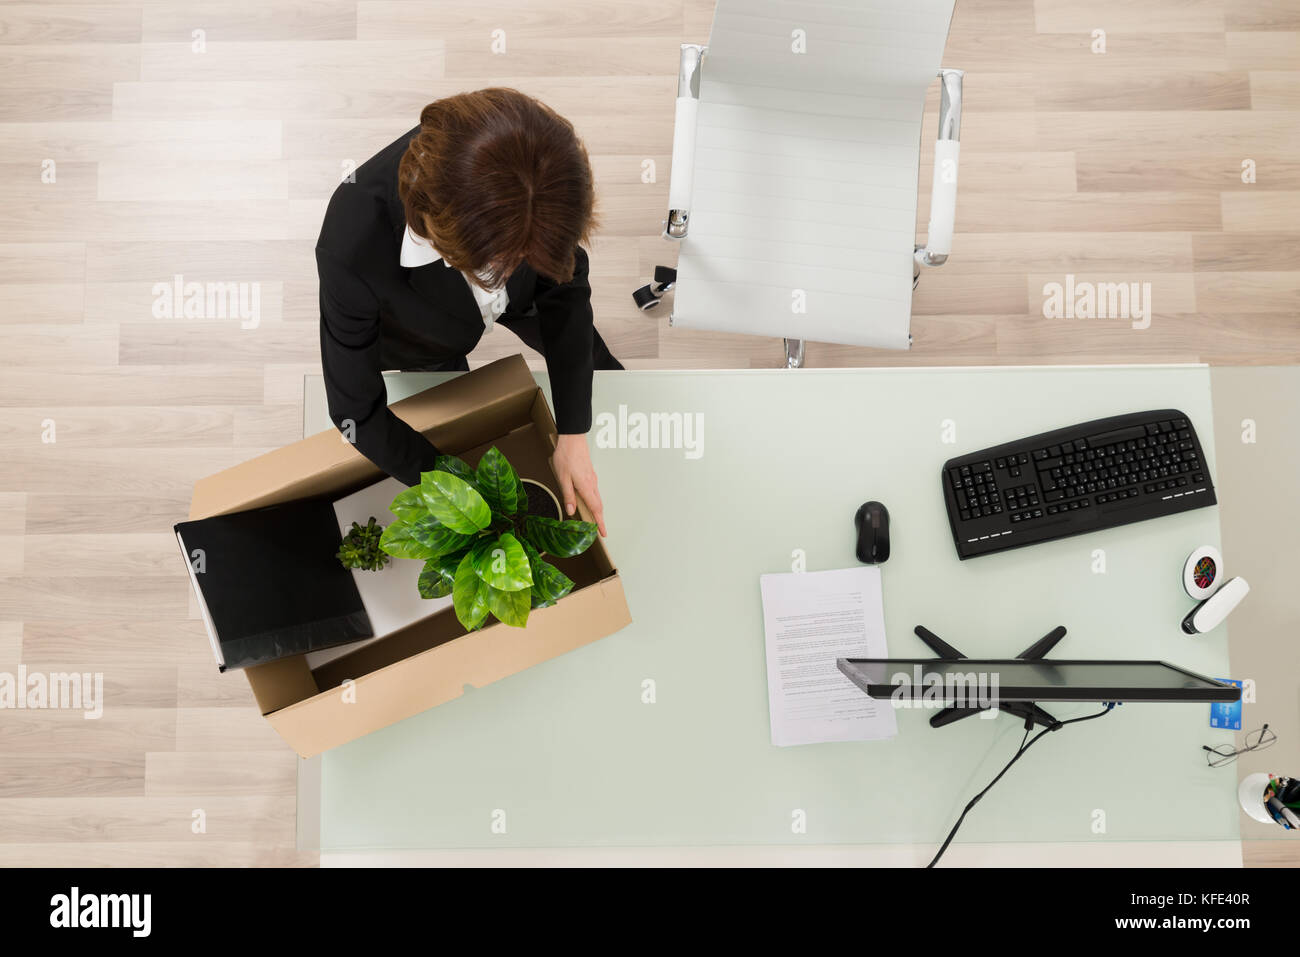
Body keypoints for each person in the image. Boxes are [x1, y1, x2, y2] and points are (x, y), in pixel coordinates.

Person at [316, 88, 621, 535]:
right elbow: (354, 411)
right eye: (502, 262)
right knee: (449, 389)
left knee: (592, 362)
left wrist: (574, 431)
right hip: (422, 337)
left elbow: (565, 284)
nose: (510, 271)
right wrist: (459, 490)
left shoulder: (535, 165)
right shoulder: (352, 244)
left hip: (529, 300)